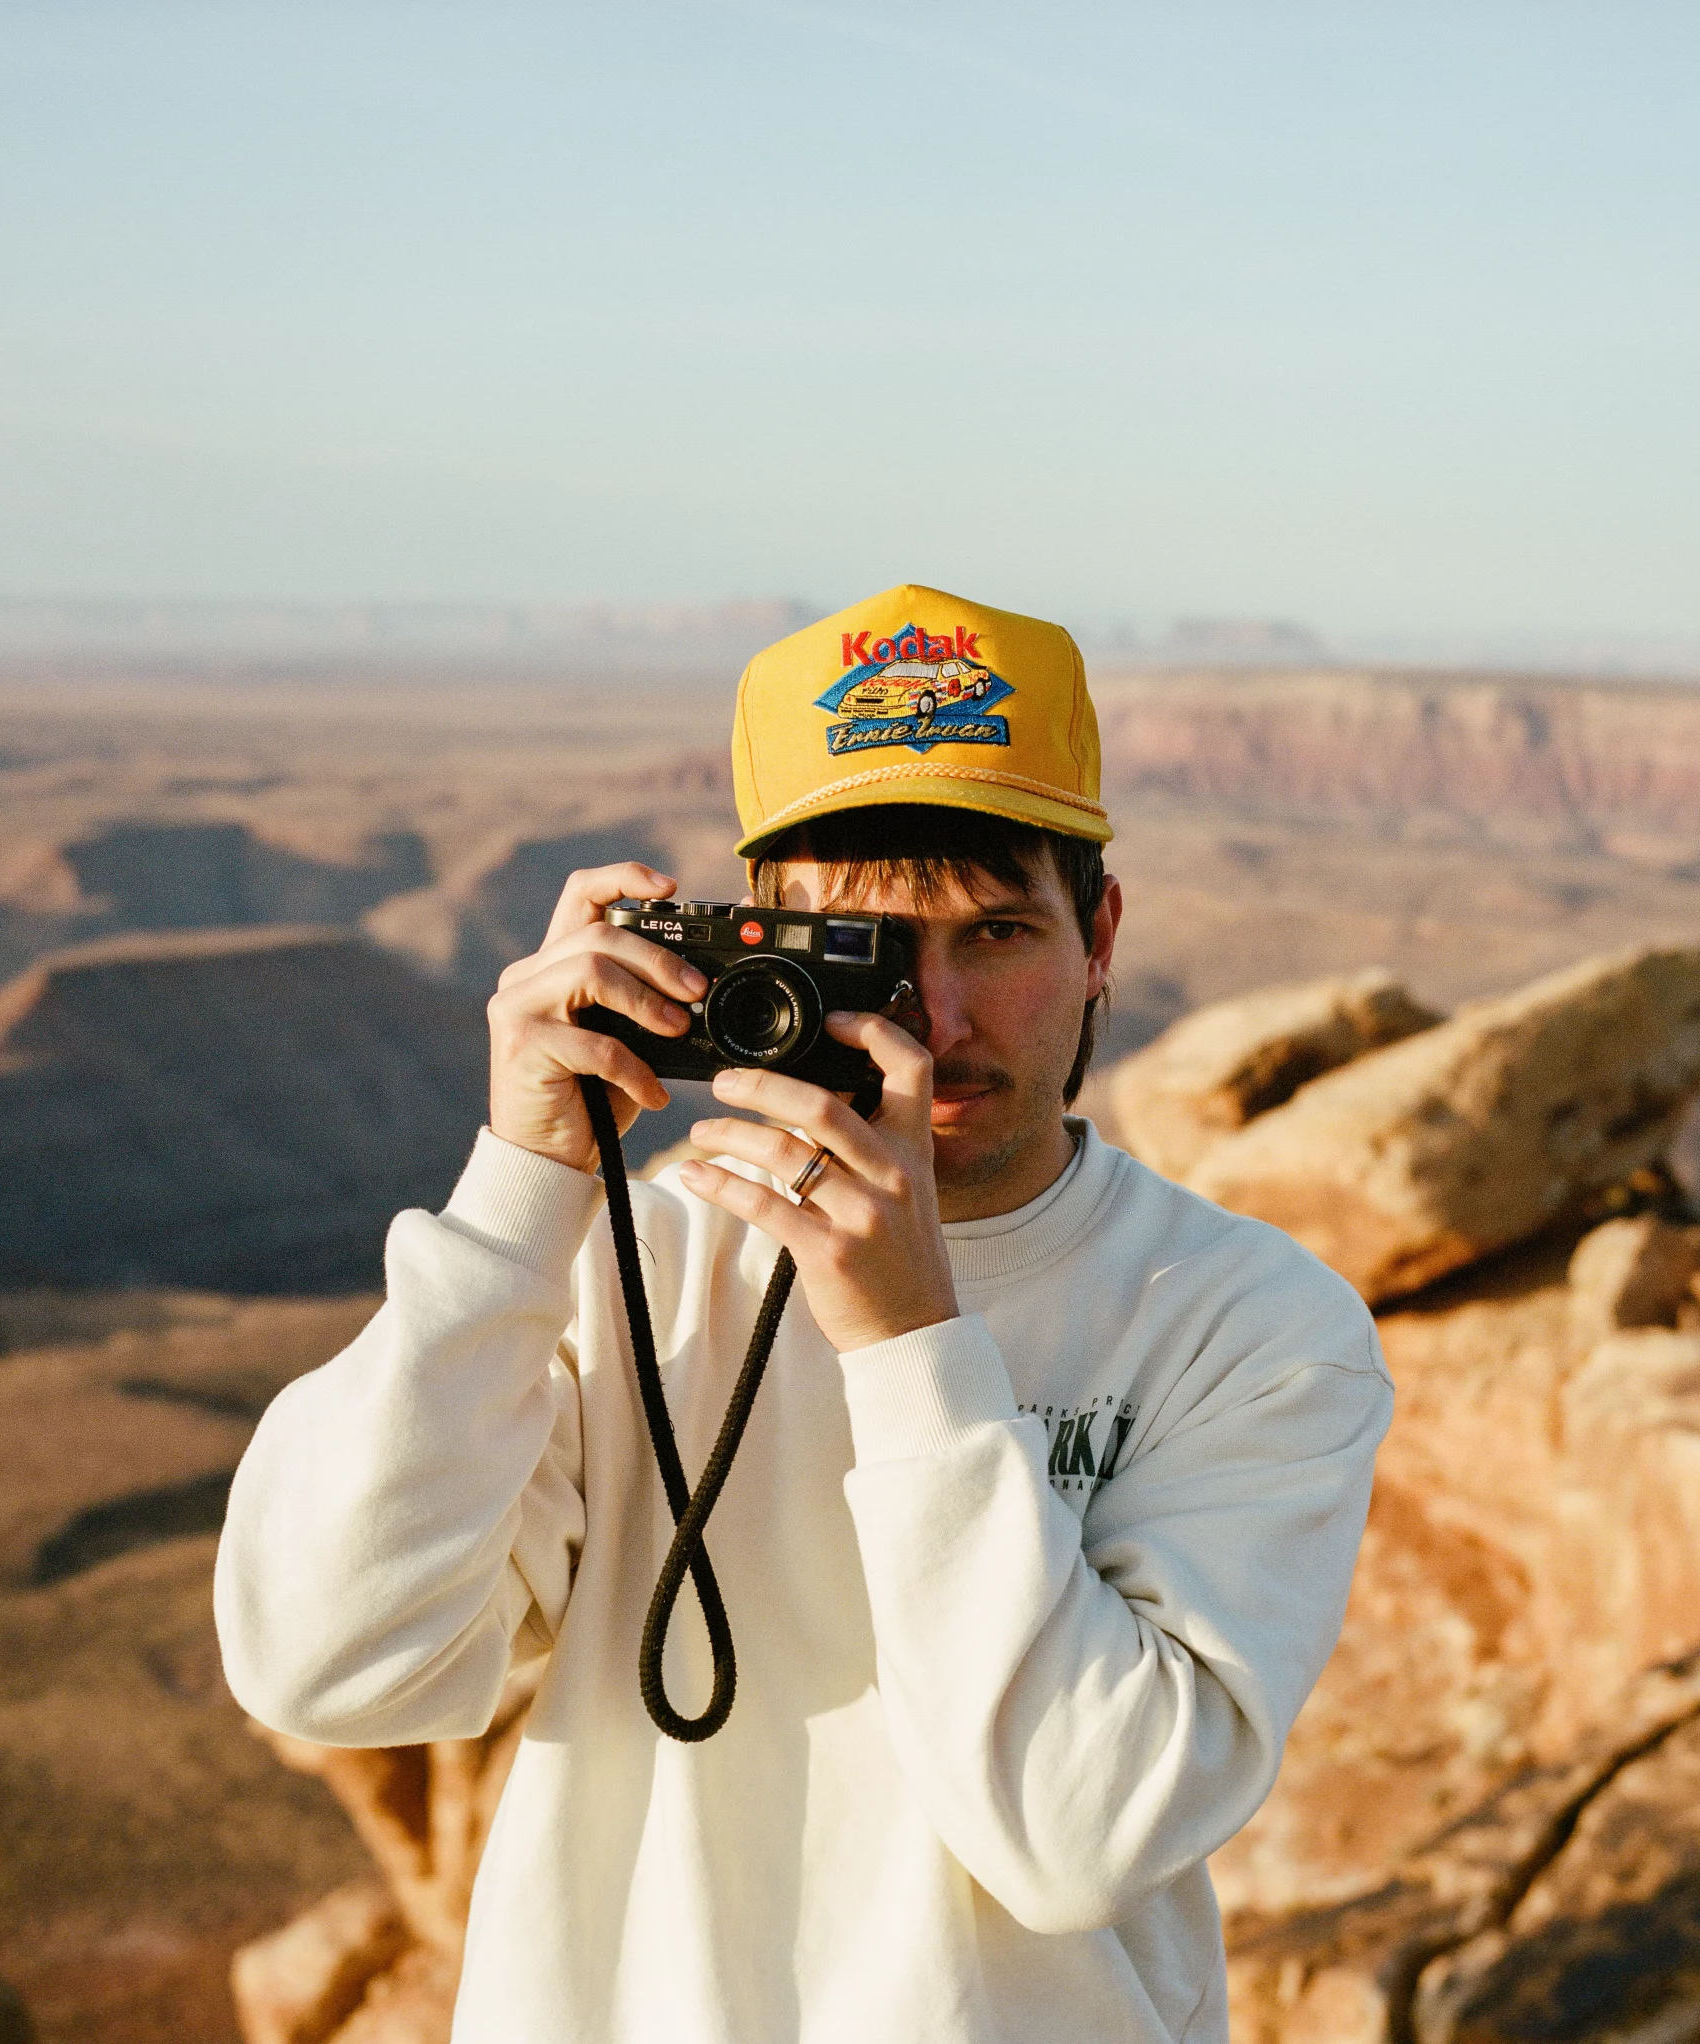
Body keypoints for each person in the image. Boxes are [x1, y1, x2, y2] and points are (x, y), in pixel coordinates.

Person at [215, 584, 1392, 2043]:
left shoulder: (1254, 1324)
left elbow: (1074, 1838)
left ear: (1101, 937)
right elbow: (327, 1661)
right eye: (872, 954)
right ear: (754, 947)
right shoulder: (634, 1264)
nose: (939, 1024)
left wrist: (913, 1351)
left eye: (1002, 935)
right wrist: (521, 1193)